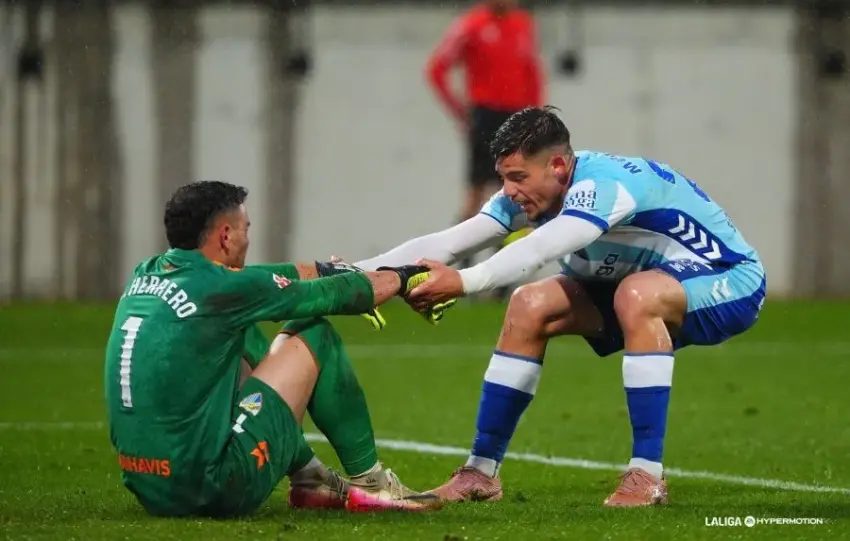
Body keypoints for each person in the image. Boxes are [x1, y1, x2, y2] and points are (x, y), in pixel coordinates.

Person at [355, 107, 767, 507]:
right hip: (635, 281)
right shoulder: (529, 194)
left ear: (557, 166)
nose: (509, 190)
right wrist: (357, 273)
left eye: (518, 177)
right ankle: (480, 474)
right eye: (504, 177)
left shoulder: (602, 187)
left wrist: (463, 282)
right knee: (529, 304)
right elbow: (448, 242)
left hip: (728, 279)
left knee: (636, 295)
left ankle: (647, 475)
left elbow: (541, 249)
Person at [104, 181, 442, 517]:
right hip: (213, 489)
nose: (247, 239)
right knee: (316, 333)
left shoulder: (145, 274)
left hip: (150, 486)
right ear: (226, 236)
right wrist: (405, 277)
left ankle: (310, 477)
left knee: (239, 331)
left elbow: (263, 276)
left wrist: (330, 270)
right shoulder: (223, 289)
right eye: (245, 228)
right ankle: (372, 483)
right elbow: (338, 296)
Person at [426, 0, 544, 271]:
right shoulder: (471, 24)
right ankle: (458, 264)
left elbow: (532, 72)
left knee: (515, 194)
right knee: (477, 194)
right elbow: (436, 69)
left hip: (515, 116)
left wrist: (536, 116)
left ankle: (503, 269)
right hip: (486, 116)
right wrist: (461, 111)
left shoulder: (523, 24)